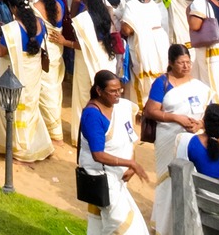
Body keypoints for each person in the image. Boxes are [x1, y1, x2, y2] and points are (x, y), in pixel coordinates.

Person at [144, 45, 210, 235]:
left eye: (188, 62)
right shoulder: (162, 83)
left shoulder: (198, 86)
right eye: (181, 63)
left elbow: (211, 111)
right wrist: (176, 118)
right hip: (168, 138)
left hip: (194, 140)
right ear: (171, 63)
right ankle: (164, 225)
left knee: (191, 178)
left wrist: (200, 124)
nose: (186, 66)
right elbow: (151, 110)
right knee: (167, 179)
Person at [76, 70, 147, 235]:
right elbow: (98, 155)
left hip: (117, 179)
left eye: (120, 90)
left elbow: (129, 136)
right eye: (113, 91)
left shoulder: (121, 107)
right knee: (122, 226)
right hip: (101, 178)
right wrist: (130, 163)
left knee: (101, 226)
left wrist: (131, 160)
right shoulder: (93, 115)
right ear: (99, 91)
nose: (118, 94)